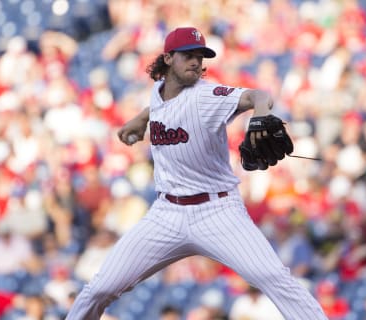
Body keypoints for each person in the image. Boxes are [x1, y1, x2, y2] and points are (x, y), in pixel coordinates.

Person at [65, 26, 327, 320]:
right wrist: (140, 120)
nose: (196, 62)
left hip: (217, 211)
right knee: (99, 289)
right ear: (168, 58)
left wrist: (262, 114)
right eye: (188, 55)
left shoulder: (206, 96)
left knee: (275, 278)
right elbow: (159, 102)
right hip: (166, 214)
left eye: (201, 56)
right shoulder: (158, 91)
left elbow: (259, 95)